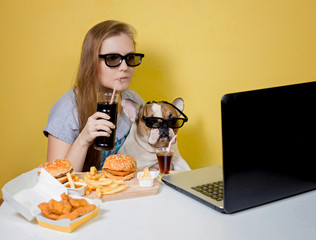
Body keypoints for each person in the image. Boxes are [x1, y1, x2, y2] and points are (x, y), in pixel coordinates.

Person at [44, 20, 145, 172]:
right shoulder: (67, 111)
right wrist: (83, 140)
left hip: (122, 193)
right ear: (91, 62)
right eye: (112, 58)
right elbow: (56, 181)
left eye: (130, 58)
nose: (125, 67)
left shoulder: (133, 100)